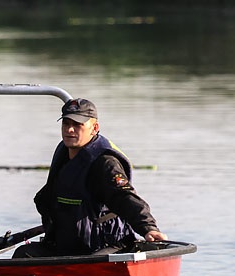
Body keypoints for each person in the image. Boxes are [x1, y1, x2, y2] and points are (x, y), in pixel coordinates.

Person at [15, 98, 168, 257]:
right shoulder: (64, 153)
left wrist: (149, 228)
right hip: (69, 244)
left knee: (91, 264)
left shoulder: (105, 163)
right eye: (66, 124)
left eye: (77, 125)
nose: (70, 130)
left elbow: (125, 197)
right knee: (24, 254)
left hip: (105, 244)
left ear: (94, 128)